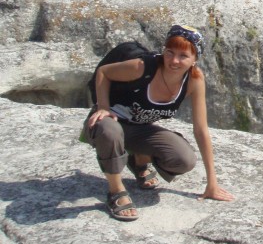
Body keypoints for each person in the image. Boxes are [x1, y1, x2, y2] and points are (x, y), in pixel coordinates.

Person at [83, 24, 234, 221]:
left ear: (195, 59)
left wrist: (211, 183)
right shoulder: (143, 67)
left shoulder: (194, 80)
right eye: (169, 52)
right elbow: (104, 72)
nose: (174, 61)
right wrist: (103, 106)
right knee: (110, 131)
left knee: (184, 159)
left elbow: (201, 129)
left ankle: (138, 160)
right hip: (108, 124)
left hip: (139, 129)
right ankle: (116, 191)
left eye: (183, 56)